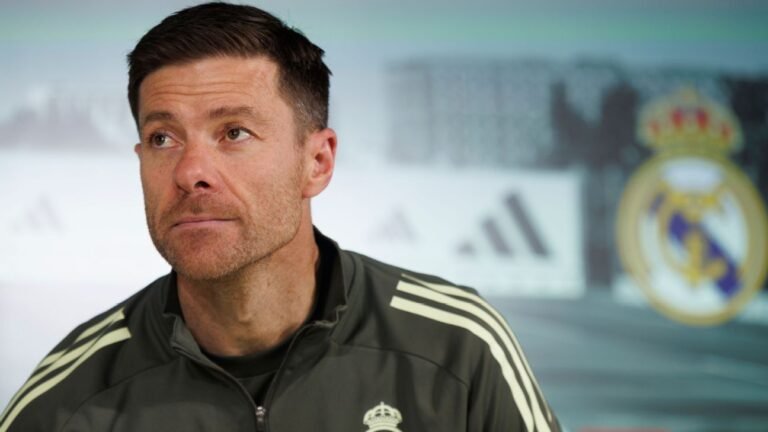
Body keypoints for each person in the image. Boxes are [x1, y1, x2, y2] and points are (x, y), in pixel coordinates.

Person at [0, 2, 560, 431]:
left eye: (234, 132)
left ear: (317, 162)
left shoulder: (456, 347)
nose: (191, 171)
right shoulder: (67, 403)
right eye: (162, 138)